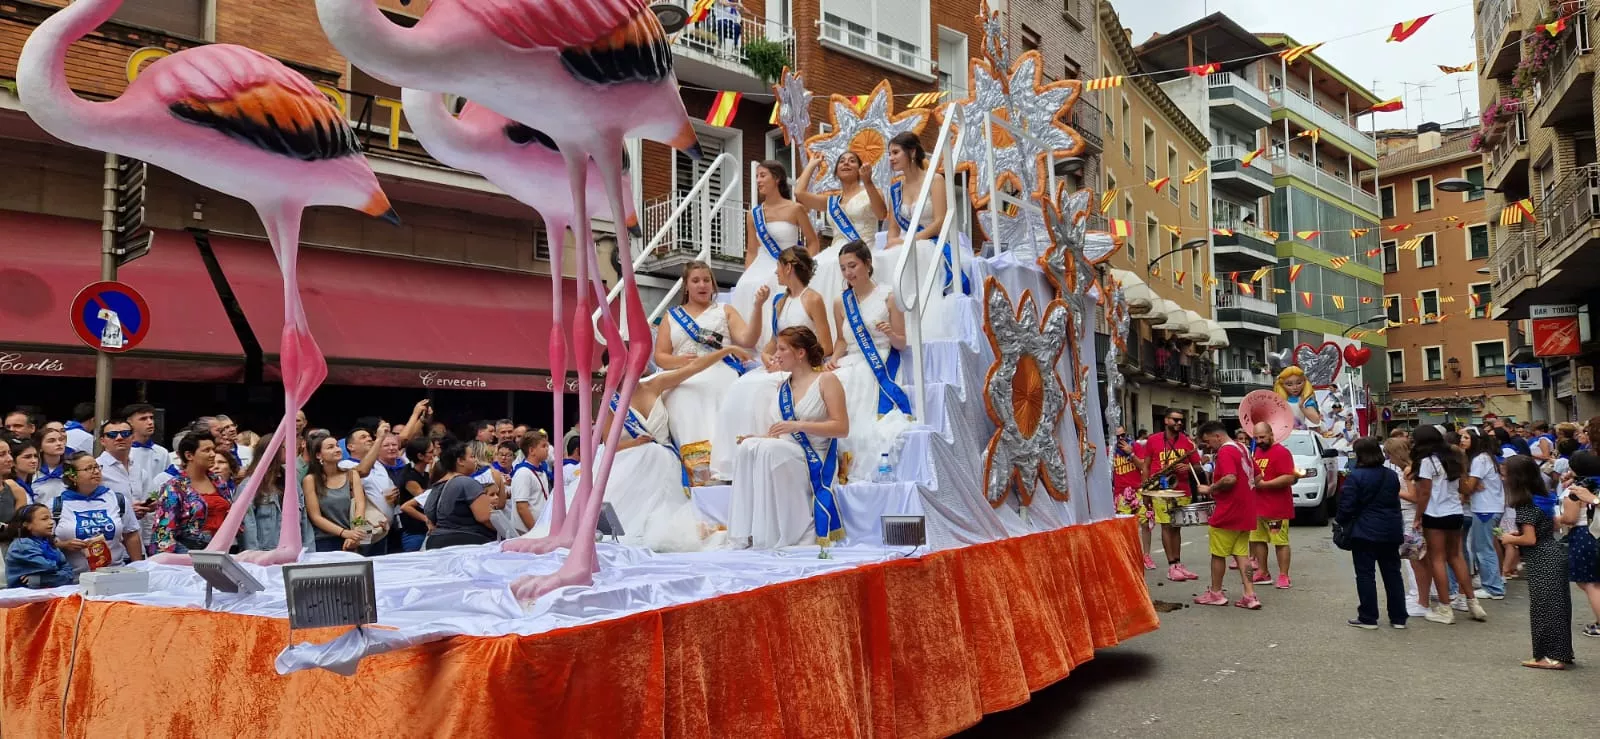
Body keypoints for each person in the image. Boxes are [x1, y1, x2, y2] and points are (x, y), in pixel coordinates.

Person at [582, 346, 751, 550]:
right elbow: (610, 444)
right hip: (629, 465)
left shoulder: (655, 384)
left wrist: (725, 351)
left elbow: (694, 367)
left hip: (665, 463)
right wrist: (635, 443)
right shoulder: (610, 402)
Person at [711, 246, 833, 477]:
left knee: (759, 389)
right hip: (779, 365)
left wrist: (793, 359)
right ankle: (734, 462)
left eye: (778, 267)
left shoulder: (813, 299)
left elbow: (826, 344)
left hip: (801, 366)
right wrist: (768, 357)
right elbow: (770, 344)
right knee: (740, 386)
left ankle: (767, 453)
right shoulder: (780, 301)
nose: (775, 273)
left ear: (788, 267)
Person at [728, 327, 849, 550]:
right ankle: (744, 535)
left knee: (770, 451)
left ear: (800, 353)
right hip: (785, 449)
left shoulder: (826, 380)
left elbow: (841, 428)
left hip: (814, 455)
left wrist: (799, 425)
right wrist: (760, 437)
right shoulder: (782, 387)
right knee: (748, 447)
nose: (775, 355)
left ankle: (785, 533)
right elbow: (782, 431)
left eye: (782, 349)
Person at [656, 261, 761, 483]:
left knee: (724, 392)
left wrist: (758, 307)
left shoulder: (725, 311)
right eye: (696, 281)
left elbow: (748, 339)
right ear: (686, 286)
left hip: (721, 369)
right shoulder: (672, 316)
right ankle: (698, 468)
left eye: (706, 280)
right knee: (683, 397)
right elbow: (660, 356)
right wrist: (678, 361)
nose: (702, 285)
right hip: (684, 375)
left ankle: (725, 465)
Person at [825, 241, 914, 484]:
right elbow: (842, 340)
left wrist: (890, 334)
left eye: (852, 265)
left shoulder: (889, 297)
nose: (848, 273)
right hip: (849, 359)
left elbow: (901, 343)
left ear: (867, 264)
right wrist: (832, 359)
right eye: (843, 268)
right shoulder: (840, 302)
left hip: (878, 359)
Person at [794, 150, 887, 327]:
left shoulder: (871, 191)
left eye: (852, 161)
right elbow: (800, 194)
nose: (846, 163)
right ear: (836, 171)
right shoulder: (831, 201)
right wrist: (813, 164)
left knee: (832, 266)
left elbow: (881, 214)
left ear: (860, 169)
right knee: (816, 268)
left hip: (863, 248)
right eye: (842, 161)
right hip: (835, 249)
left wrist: (868, 183)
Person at [883, 131, 962, 339]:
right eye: (889, 153)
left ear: (912, 152)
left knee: (911, 253)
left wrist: (907, 241)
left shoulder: (934, 180)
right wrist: (892, 240)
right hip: (905, 241)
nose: (890, 158)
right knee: (883, 257)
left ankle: (919, 320)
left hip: (931, 241)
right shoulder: (895, 189)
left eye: (895, 152)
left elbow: (939, 221)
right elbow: (892, 227)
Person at [1498, 456, 1573, 668]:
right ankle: (1561, 653)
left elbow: (1529, 539)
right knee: (1558, 607)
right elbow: (1545, 528)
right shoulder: (1543, 498)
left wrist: (1510, 538)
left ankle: (1549, 656)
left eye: (1506, 473)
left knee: (1543, 608)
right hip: (1552, 552)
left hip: (1541, 558)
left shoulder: (1525, 504)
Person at [1410, 425, 1482, 624]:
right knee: (1457, 556)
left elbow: (1424, 492)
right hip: (1455, 511)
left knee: (1438, 559)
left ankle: (1445, 607)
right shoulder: (1453, 457)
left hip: (1435, 513)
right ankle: (1472, 602)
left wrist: (1418, 517)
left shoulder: (1427, 461)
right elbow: (1461, 486)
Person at [732, 159, 819, 325]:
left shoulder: (795, 209)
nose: (758, 180)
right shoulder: (753, 215)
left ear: (777, 178)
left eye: (763, 175)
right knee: (746, 285)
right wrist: (747, 275)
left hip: (787, 266)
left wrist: (803, 266)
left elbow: (813, 242)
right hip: (760, 264)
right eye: (757, 176)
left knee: (773, 284)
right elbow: (751, 251)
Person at [1337, 437, 1407, 629]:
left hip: (1364, 531)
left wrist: (1341, 522)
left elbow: (1347, 506)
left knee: (1365, 574)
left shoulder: (1356, 477)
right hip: (1390, 530)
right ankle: (1398, 617)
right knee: (1393, 574)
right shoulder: (1391, 476)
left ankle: (1368, 616)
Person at [1191, 421, 1261, 609]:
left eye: (1208, 441)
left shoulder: (1225, 451)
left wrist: (1210, 488)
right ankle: (1250, 594)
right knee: (1242, 555)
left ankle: (1216, 593)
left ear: (1217, 436)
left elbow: (1230, 478)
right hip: (1246, 510)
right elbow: (1258, 477)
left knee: (1218, 554)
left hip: (1228, 510)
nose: (1208, 446)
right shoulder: (1243, 448)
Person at [1137, 408, 1202, 581]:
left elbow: (1198, 466)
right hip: (1160, 489)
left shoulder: (1187, 442)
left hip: (1182, 489)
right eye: (1175, 420)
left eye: (1181, 420)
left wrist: (1188, 467)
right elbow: (1146, 466)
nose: (1179, 423)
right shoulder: (1153, 440)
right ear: (1166, 420)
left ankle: (1178, 563)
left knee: (1176, 527)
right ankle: (1171, 565)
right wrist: (1145, 491)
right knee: (1166, 526)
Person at [53, 451, 143, 572]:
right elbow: (44, 541)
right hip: (74, 579)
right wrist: (64, 545)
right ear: (72, 476)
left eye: (97, 467)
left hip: (115, 574)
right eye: (88, 468)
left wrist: (138, 567)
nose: (96, 471)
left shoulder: (117, 499)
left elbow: (131, 534)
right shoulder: (56, 505)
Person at [149, 429, 234, 554]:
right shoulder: (174, 487)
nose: (212, 454)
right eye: (206, 450)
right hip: (189, 552)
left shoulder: (219, 482)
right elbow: (164, 531)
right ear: (189, 455)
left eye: (213, 450)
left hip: (222, 549)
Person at [1249, 421, 1301, 589]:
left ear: (1271, 434)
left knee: (1280, 542)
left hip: (1276, 508)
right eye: (1256, 438)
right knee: (1257, 541)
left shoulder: (1281, 452)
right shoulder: (1255, 451)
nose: (1259, 441)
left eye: (1262, 437)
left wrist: (1265, 484)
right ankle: (1263, 572)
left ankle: (1284, 575)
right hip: (1257, 507)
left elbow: (1288, 477)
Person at [1456, 428, 1506, 602]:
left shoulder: (1479, 459)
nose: (1462, 440)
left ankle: (1493, 587)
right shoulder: (1485, 458)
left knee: (1484, 548)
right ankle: (1493, 583)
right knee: (1484, 547)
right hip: (1488, 506)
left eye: (1466, 437)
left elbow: (1469, 486)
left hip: (1485, 508)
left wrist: (1465, 479)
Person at [1384, 437, 1430, 619]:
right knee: (1415, 559)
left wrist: (1394, 489)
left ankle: (1421, 599)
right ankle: (1418, 595)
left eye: (1390, 454)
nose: (1389, 459)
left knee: (1415, 560)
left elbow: (1414, 496)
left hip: (1410, 516)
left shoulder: (1408, 471)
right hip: (1409, 515)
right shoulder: (1409, 469)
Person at [423, 441, 497, 549]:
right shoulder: (467, 483)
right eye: (472, 457)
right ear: (460, 461)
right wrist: (505, 531)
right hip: (466, 543)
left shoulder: (435, 487)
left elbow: (430, 519)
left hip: (435, 542)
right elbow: (485, 518)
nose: (475, 460)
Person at [1557, 451, 1600, 638]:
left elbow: (1570, 518)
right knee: (1592, 581)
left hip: (1584, 535)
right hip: (1595, 532)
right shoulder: (1596, 484)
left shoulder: (1575, 491)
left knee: (1590, 583)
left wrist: (1556, 518)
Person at [302, 431, 367, 553]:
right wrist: (344, 533)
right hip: (325, 540)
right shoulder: (310, 480)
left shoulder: (352, 474)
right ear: (318, 455)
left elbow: (360, 505)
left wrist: (356, 531)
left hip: (352, 538)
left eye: (337, 445)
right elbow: (315, 517)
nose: (337, 449)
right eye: (330, 447)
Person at [1109, 425, 1153, 569]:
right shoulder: (1109, 451)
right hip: (1120, 494)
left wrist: (1131, 453)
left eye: (1123, 435)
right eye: (1118, 437)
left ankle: (1146, 555)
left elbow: (1143, 466)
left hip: (1137, 490)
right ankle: (1128, 555)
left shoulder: (1136, 447)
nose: (1121, 439)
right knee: (1125, 528)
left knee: (1145, 524)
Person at [3, 504, 77, 588]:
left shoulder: (48, 543)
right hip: (24, 597)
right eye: (44, 519)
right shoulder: (21, 545)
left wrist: (41, 580)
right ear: (27, 524)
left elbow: (69, 573)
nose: (52, 522)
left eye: (51, 518)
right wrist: (60, 571)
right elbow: (48, 566)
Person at [394, 437, 437, 552]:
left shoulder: (424, 473)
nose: (434, 454)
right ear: (420, 456)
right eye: (431, 452)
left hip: (425, 529)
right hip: (414, 531)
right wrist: (426, 520)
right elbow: (424, 500)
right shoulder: (409, 477)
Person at [507, 431, 551, 536]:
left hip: (541, 528)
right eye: (543, 446)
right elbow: (522, 507)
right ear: (531, 450)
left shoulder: (542, 471)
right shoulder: (523, 473)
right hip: (527, 533)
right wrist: (535, 531)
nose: (547, 449)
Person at [28, 427, 70, 508]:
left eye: (61, 440)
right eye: (51, 441)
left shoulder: (72, 469)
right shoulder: (32, 471)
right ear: (40, 447)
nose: (59, 443)